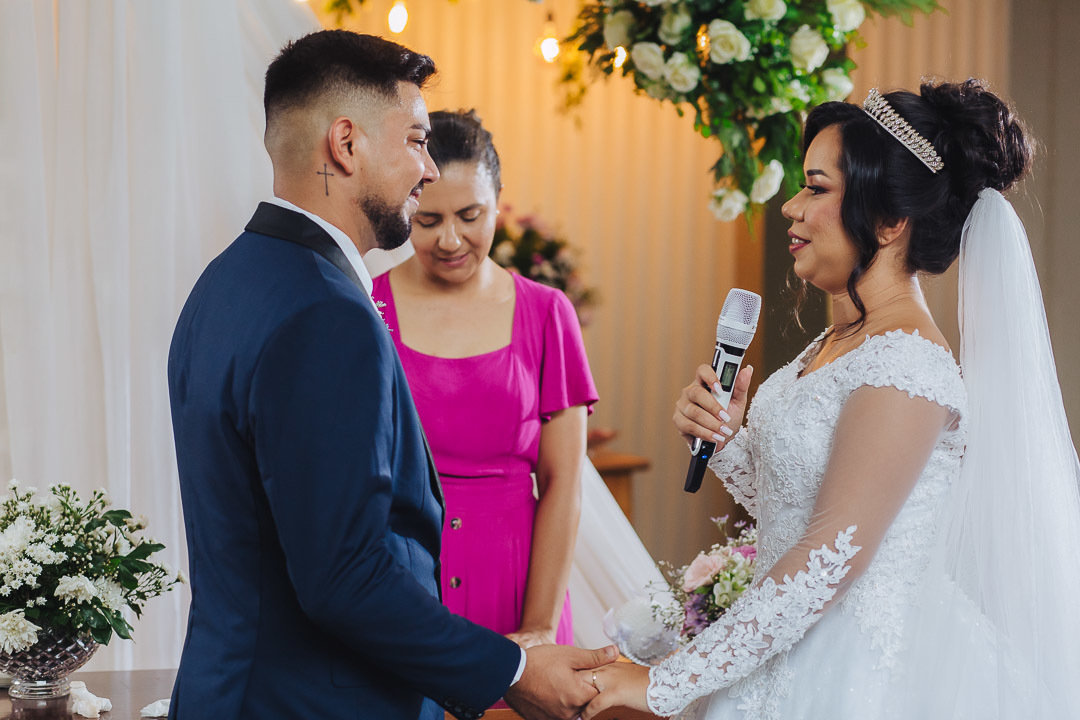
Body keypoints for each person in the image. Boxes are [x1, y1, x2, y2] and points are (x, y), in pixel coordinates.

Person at [581, 80, 1080, 719]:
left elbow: (826, 555)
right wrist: (728, 442)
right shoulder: (838, 341)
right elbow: (802, 507)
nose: (791, 207)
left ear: (889, 220)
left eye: (816, 189)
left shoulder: (904, 364)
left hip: (858, 675)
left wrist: (665, 682)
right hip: (791, 648)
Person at [167, 30, 615, 720]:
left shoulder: (224, 283)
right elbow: (344, 577)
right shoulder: (326, 313)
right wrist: (514, 667)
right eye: (414, 139)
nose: (429, 168)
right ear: (346, 145)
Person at [371, 110, 597, 651]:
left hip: (518, 583)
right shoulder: (367, 304)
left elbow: (563, 482)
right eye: (427, 221)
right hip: (402, 582)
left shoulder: (548, 314)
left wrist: (540, 627)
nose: (451, 240)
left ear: (499, 200)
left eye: (471, 215)